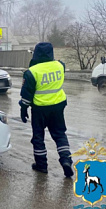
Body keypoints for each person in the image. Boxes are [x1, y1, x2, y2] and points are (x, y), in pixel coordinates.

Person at [19, 42, 74, 177]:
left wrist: (23, 108)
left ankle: (41, 165)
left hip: (40, 109)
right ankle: (66, 160)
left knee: (38, 137)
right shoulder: (60, 65)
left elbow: (27, 95)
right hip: (58, 106)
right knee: (60, 134)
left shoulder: (32, 72)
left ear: (36, 54)